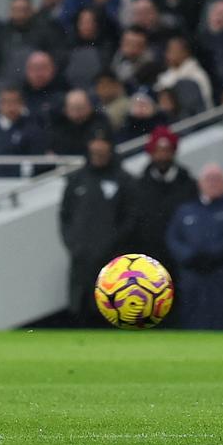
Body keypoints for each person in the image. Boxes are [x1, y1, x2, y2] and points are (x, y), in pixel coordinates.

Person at [59, 135, 135, 327]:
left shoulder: (124, 180)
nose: (98, 157)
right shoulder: (77, 180)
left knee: (109, 308)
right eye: (94, 153)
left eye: (102, 153)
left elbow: (131, 219)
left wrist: (114, 245)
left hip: (112, 260)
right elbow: (65, 216)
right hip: (81, 257)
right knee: (80, 307)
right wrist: (73, 244)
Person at [165, 163, 223, 330]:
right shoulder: (185, 211)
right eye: (208, 179)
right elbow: (173, 239)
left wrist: (211, 256)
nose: (213, 183)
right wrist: (190, 256)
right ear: (200, 183)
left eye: (217, 179)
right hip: (193, 278)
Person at [132, 127, 197, 274]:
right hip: (151, 262)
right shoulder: (139, 187)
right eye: (158, 151)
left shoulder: (188, 184)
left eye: (166, 150)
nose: (162, 156)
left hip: (183, 261)